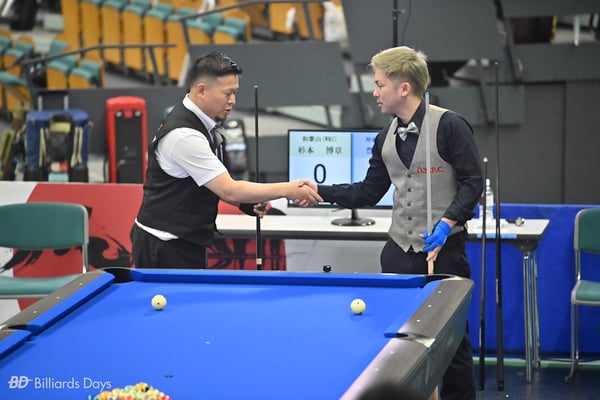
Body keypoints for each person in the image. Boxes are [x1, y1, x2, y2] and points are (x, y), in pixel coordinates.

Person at [312, 46, 482, 399]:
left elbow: (472, 182)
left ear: (404, 87)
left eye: (379, 84)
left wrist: (447, 223)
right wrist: (318, 190)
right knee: (398, 342)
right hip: (397, 253)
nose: (374, 92)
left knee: (452, 344)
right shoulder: (384, 137)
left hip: (443, 252)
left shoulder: (449, 125)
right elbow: (368, 191)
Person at [132, 51, 322, 269]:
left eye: (235, 92)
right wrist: (289, 189)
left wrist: (243, 203)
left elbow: (206, 182)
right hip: (165, 244)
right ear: (202, 90)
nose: (233, 100)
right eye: (227, 93)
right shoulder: (185, 136)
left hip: (184, 239)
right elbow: (229, 190)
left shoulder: (200, 122)